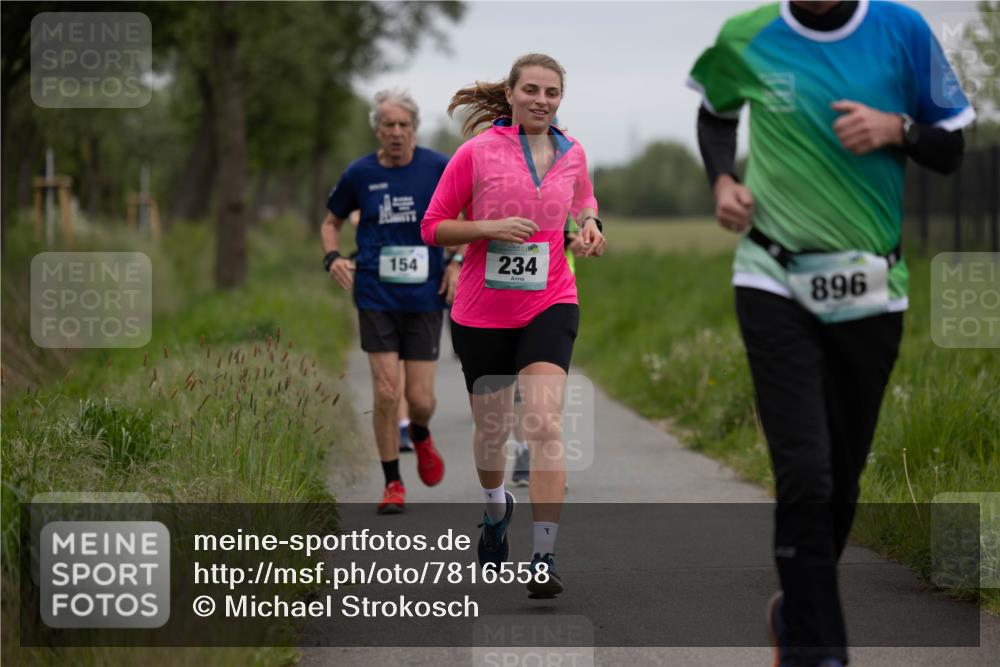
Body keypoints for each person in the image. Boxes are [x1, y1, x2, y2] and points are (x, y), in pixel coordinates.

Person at [688, 1, 972, 665]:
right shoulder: (747, 33)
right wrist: (722, 178)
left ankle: (796, 610)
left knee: (841, 479)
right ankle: (822, 651)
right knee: (806, 472)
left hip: (873, 287)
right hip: (773, 275)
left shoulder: (901, 31)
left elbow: (953, 146)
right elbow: (715, 112)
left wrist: (897, 127)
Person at [422, 53, 606, 598]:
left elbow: (584, 196)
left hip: (550, 301)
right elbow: (433, 227)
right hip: (481, 311)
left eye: (551, 93)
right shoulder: (475, 153)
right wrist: (488, 226)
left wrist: (591, 224)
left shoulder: (572, 152)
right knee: (493, 431)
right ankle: (495, 506)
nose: (541, 100)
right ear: (510, 93)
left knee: (546, 425)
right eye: (531, 90)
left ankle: (543, 557)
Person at [321, 89, 463, 514]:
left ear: (414, 128)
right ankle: (393, 484)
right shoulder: (359, 173)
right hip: (375, 293)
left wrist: (454, 262)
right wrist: (332, 258)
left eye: (404, 125)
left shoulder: (439, 167)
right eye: (389, 125)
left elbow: (465, 218)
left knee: (419, 399)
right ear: (377, 130)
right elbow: (331, 222)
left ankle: (420, 432)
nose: (397, 133)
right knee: (386, 391)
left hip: (424, 295)